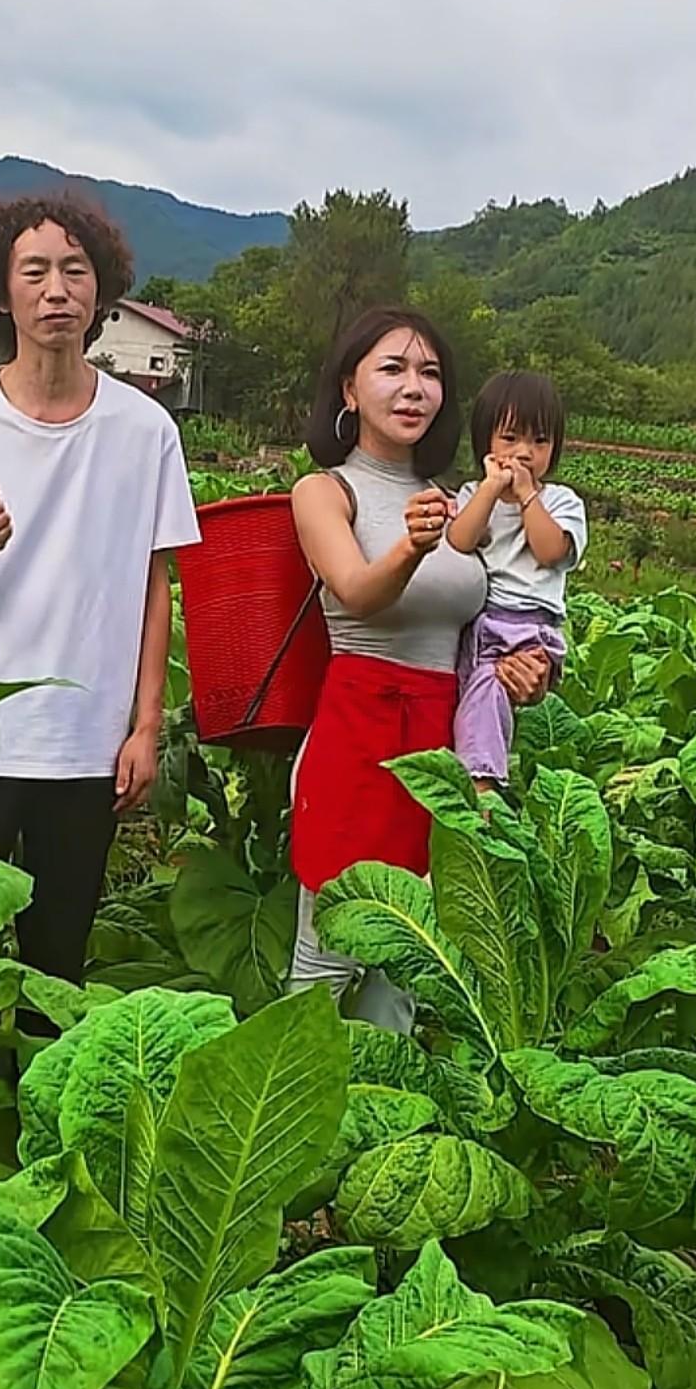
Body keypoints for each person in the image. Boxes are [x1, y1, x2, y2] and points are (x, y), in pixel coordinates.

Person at [0, 193, 200, 992]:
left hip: (85, 740)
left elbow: (155, 586)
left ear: (101, 292)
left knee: (58, 950)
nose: (56, 290)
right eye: (35, 272)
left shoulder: (145, 430)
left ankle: (33, 1108)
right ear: (1, 292)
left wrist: (146, 725)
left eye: (74, 271)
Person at [286, 307, 550, 1026]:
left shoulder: (469, 504)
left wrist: (524, 674)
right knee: (328, 954)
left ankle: (385, 1120)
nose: (414, 388)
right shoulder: (325, 491)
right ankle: (296, 1116)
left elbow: (494, 623)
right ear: (349, 389)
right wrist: (409, 547)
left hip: (441, 742)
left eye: (429, 373)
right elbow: (357, 594)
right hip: (356, 732)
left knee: (410, 965)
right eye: (393, 369)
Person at [447, 369, 587, 788]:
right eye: (510, 438)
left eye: (539, 441)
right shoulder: (475, 495)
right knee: (467, 697)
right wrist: (491, 490)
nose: (525, 452)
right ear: (485, 442)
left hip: (525, 629)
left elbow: (548, 551)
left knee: (487, 695)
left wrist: (527, 497)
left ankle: (483, 785)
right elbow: (460, 539)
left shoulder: (560, 501)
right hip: (480, 624)